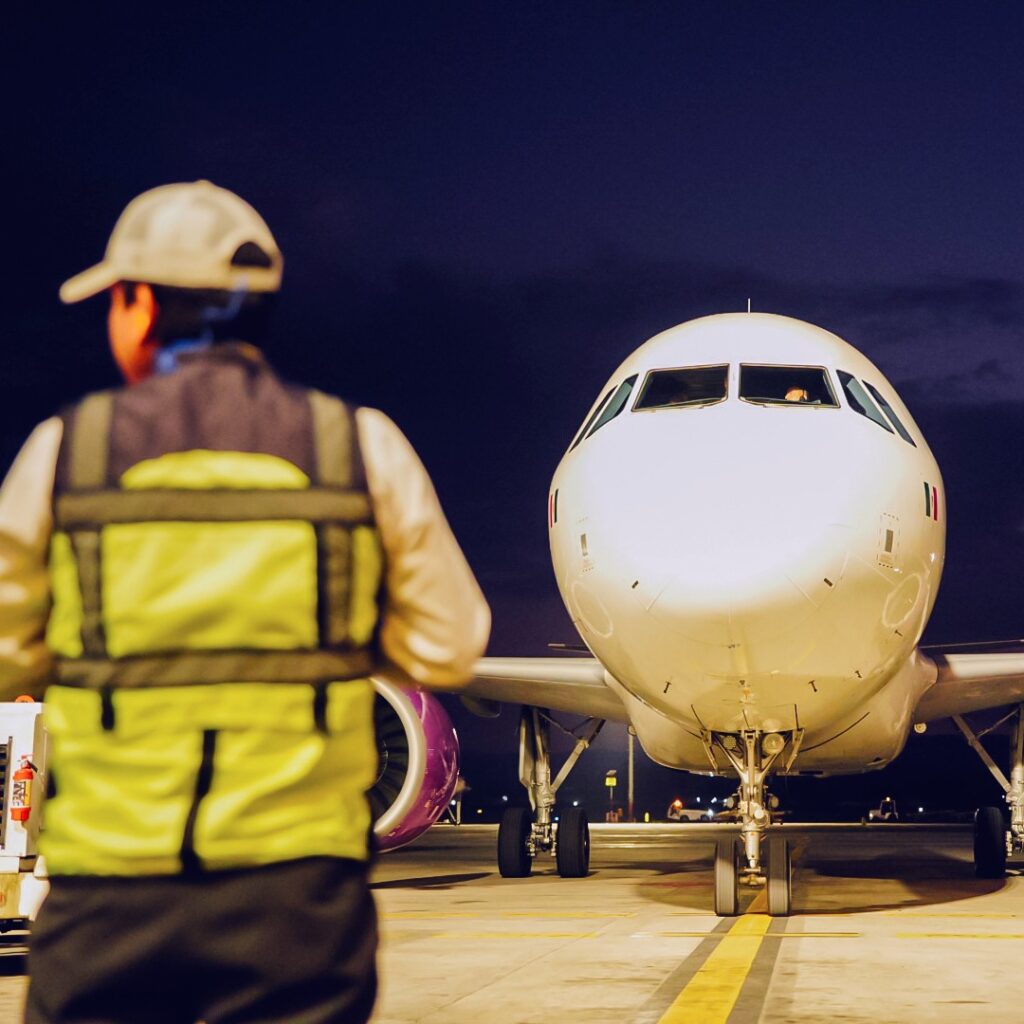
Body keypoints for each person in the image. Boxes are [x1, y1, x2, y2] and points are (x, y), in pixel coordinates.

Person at [0, 180, 491, 1024]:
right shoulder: (358, 447)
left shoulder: (65, 456)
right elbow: (450, 646)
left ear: (140, 307)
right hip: (297, 909)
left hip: (111, 897)